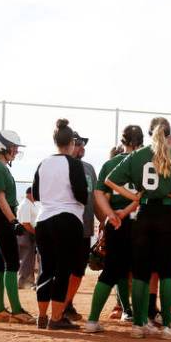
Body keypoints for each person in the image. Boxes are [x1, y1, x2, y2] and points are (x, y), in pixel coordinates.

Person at [105, 117, 171, 339]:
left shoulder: (138, 155)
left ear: (150, 133)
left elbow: (111, 181)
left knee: (141, 273)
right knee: (166, 274)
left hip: (145, 215)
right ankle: (167, 326)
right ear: (169, 134)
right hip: (169, 215)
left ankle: (139, 324)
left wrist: (134, 196)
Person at [81, 125, 143, 333]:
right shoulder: (146, 162)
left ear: (122, 141)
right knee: (139, 273)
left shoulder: (110, 163)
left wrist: (111, 215)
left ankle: (91, 320)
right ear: (141, 141)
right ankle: (138, 324)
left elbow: (99, 195)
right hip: (139, 220)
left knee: (111, 271)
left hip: (115, 221)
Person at [32, 119, 89, 330]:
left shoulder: (43, 163)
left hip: (43, 219)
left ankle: (41, 316)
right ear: (72, 143)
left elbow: (35, 194)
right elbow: (82, 194)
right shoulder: (73, 164)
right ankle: (56, 319)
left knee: (46, 268)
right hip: (68, 218)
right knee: (63, 269)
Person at [0, 129, 33, 324]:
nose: (15, 151)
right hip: (3, 218)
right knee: (11, 263)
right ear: (3, 147)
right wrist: (13, 220)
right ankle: (15, 310)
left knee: (0, 265)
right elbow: (0, 197)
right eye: (13, 147)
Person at [61, 130, 97, 321]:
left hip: (85, 226)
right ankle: (60, 307)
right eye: (79, 142)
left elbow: (95, 199)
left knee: (78, 270)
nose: (82, 147)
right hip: (65, 227)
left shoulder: (90, 168)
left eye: (84, 143)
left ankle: (67, 303)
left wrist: (104, 221)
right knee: (63, 269)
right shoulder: (61, 166)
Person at [16, 187, 39, 289]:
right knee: (26, 258)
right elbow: (26, 223)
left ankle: (28, 281)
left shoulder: (29, 204)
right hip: (26, 234)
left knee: (29, 258)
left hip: (29, 234)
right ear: (30, 194)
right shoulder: (25, 204)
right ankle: (22, 281)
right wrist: (36, 233)